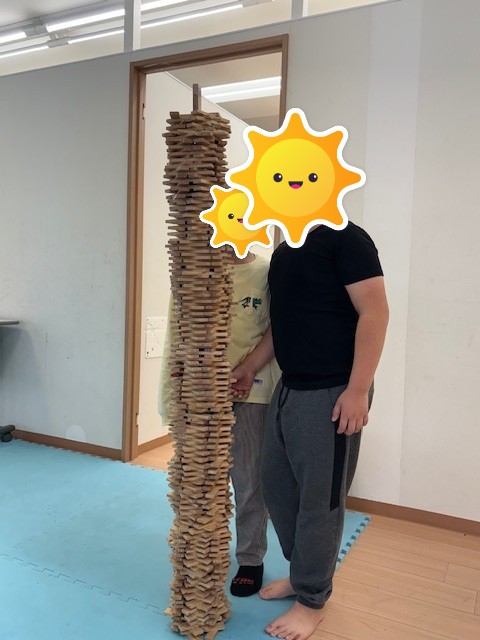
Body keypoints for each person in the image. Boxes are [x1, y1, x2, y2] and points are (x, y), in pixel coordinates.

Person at [232, 222, 389, 640]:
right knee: (276, 487)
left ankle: (311, 600)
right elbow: (281, 326)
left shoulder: (345, 238)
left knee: (321, 501)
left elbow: (375, 312)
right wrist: (249, 366)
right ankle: (303, 573)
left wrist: (358, 390)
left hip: (334, 389)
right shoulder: (284, 252)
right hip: (290, 387)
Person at [159, 250, 280, 597]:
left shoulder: (266, 272)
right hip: (201, 395)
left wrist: (249, 368)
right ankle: (203, 551)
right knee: (200, 480)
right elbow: (176, 334)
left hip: (253, 391)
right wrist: (171, 395)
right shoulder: (196, 272)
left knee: (249, 479)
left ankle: (250, 558)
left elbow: (278, 328)